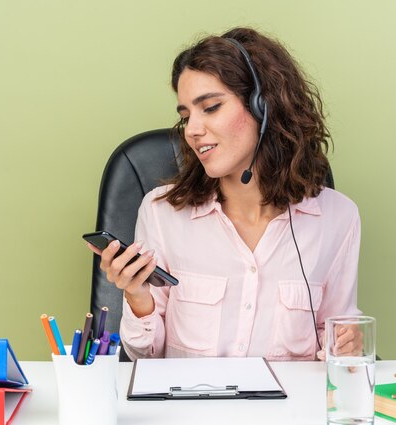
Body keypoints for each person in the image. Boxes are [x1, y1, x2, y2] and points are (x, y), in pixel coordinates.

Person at [87, 27, 362, 361]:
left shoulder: (338, 218)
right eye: (186, 116)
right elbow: (145, 356)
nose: (192, 130)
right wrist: (137, 295)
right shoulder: (161, 212)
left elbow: (336, 344)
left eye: (211, 107)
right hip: (192, 412)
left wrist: (346, 348)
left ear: (264, 107)